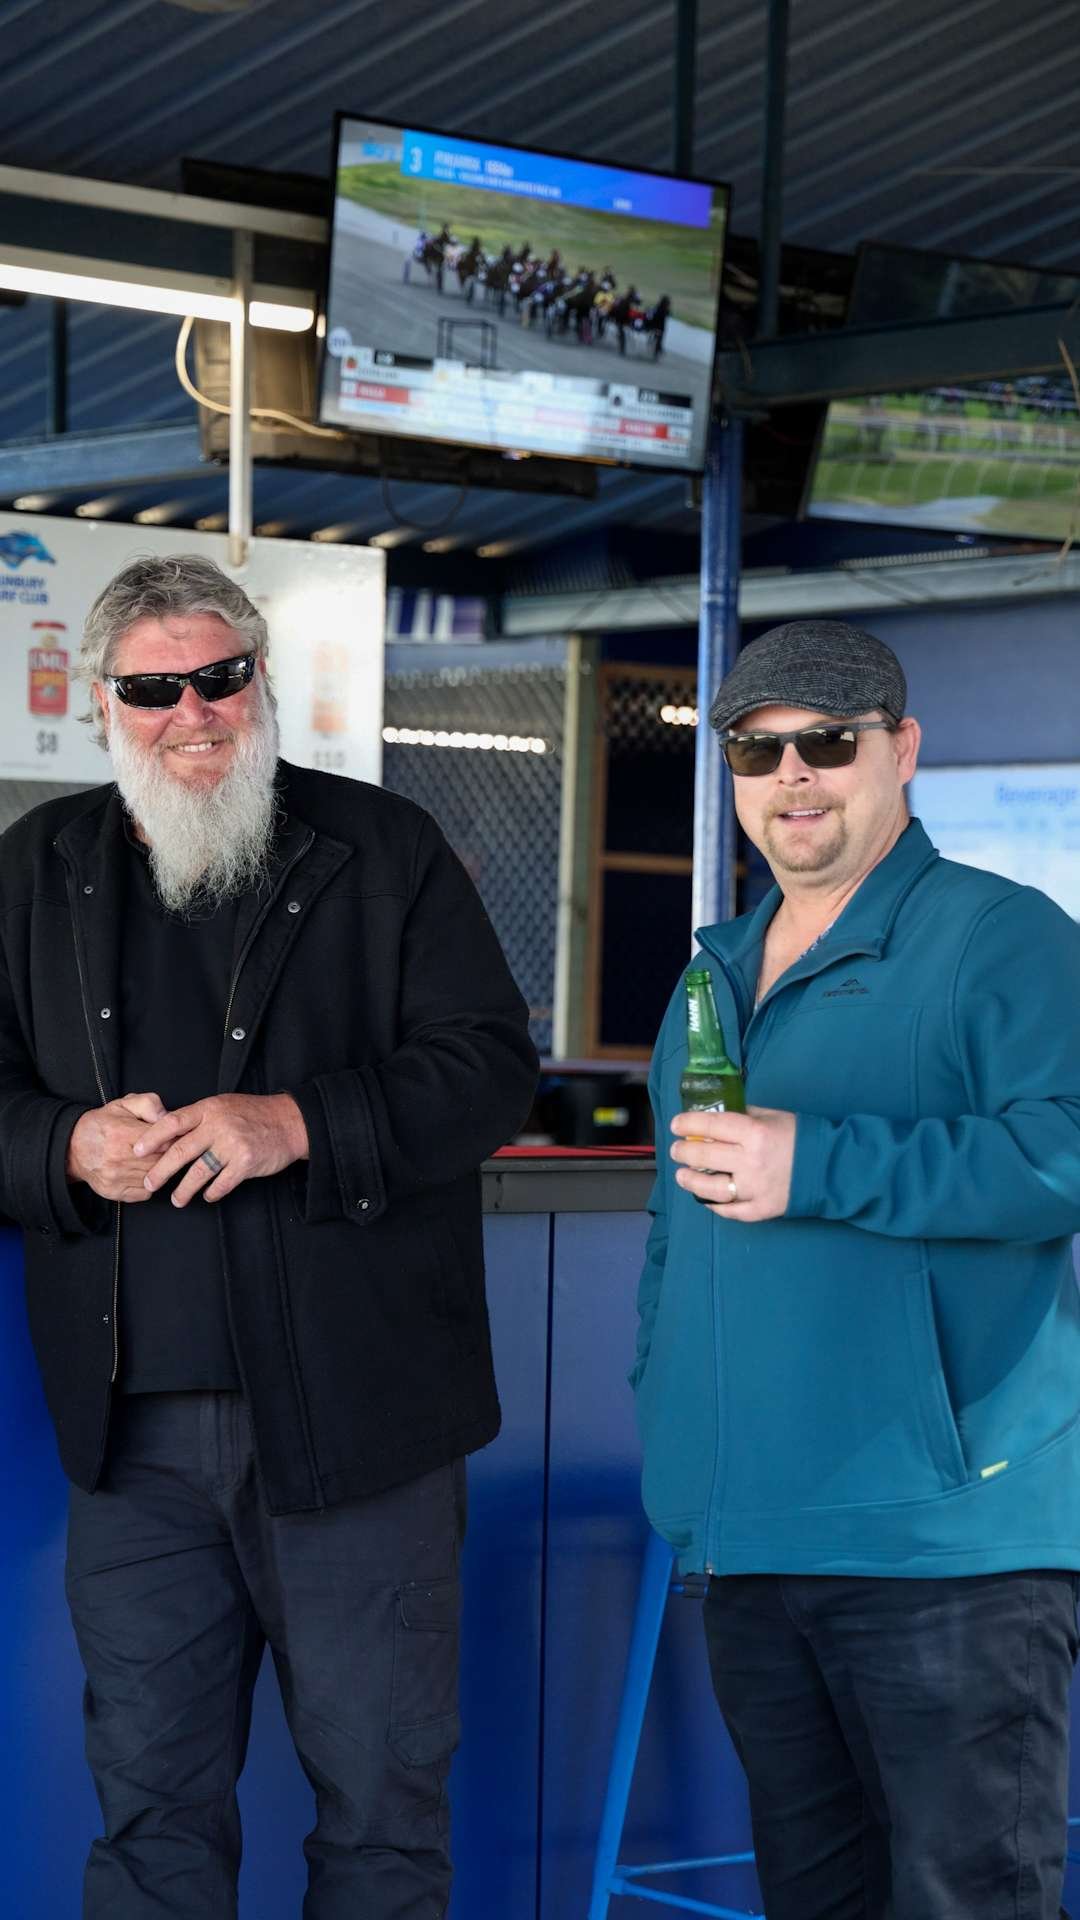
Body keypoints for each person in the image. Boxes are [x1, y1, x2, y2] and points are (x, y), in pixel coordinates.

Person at [0, 553, 538, 1920]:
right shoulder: (33, 866)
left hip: (362, 1432)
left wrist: (296, 1121)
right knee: (152, 1817)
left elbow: (486, 1068)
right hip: (133, 1447)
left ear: (262, 683)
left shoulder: (386, 849)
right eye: (154, 687)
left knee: (382, 1817)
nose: (194, 712)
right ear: (103, 706)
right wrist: (60, 1145)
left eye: (221, 677)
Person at [633, 618, 1080, 1920]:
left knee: (965, 1901)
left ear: (904, 751)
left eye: (829, 744)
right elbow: (680, 1226)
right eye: (757, 751)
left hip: (946, 1550)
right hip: (750, 1538)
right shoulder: (712, 971)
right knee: (813, 1901)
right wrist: (677, 1443)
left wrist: (820, 1161)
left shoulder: (1003, 937)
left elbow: (1065, 1153)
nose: (793, 780)